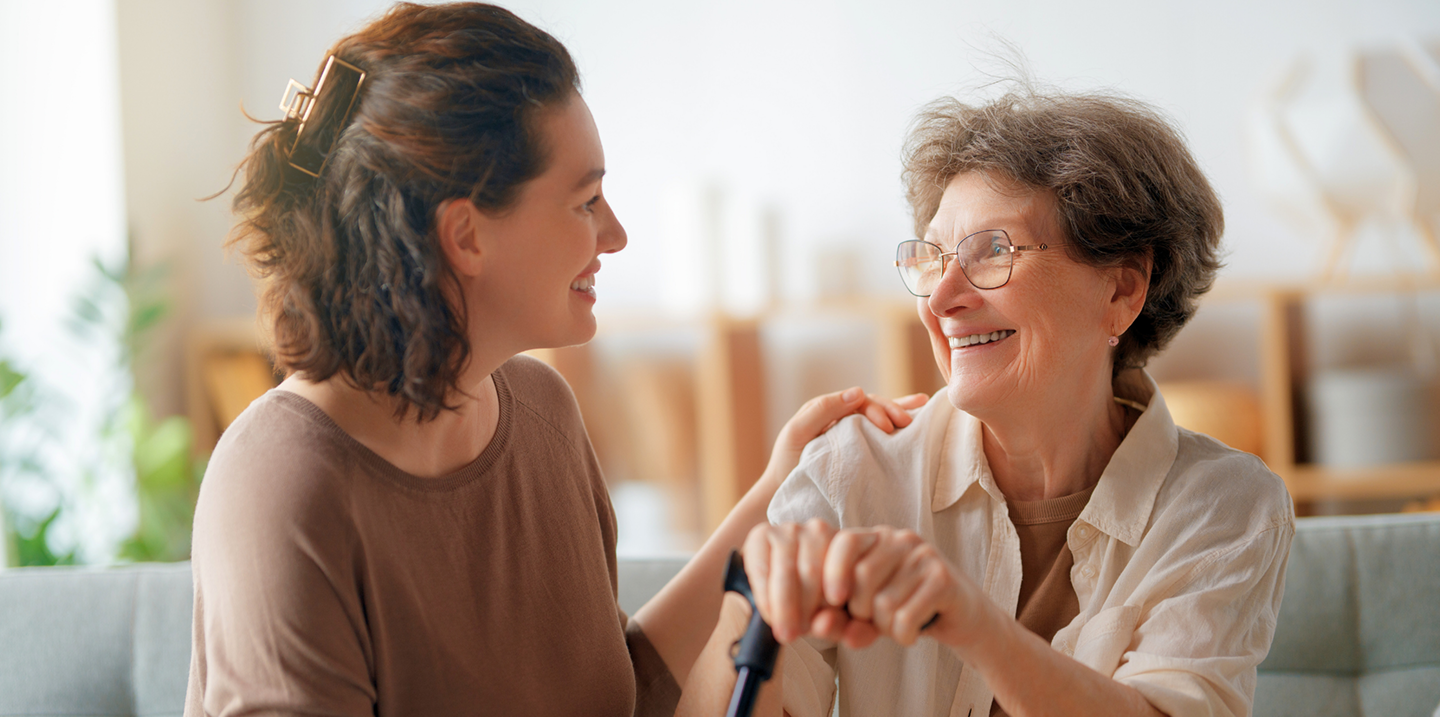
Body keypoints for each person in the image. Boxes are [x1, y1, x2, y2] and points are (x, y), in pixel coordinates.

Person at [183, 4, 926, 716]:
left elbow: (617, 690)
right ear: (467, 235)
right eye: (585, 201)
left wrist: (780, 482)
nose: (616, 234)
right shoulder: (282, 483)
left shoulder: (542, 412)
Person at [690, 86, 1295, 717]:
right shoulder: (852, 474)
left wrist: (973, 624)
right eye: (935, 259)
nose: (941, 298)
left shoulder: (1223, 508)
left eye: (994, 251)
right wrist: (751, 603)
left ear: (1122, 289)